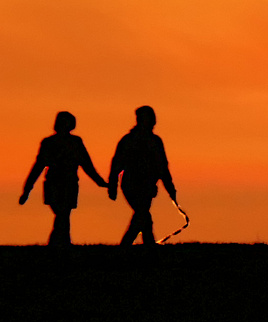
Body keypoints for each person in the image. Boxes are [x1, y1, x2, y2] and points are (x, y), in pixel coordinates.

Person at [20, 111, 108, 246]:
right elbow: (38, 166)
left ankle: (59, 245)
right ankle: (61, 244)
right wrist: (27, 190)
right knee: (63, 215)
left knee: (63, 215)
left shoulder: (72, 142)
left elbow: (86, 163)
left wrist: (99, 181)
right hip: (57, 182)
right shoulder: (53, 143)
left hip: (67, 182)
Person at [107, 105, 180, 246]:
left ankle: (145, 246)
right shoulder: (130, 141)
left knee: (143, 216)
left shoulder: (154, 141)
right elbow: (117, 164)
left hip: (147, 186)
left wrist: (171, 189)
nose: (153, 121)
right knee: (142, 215)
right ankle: (131, 245)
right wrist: (112, 186)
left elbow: (162, 168)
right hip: (132, 185)